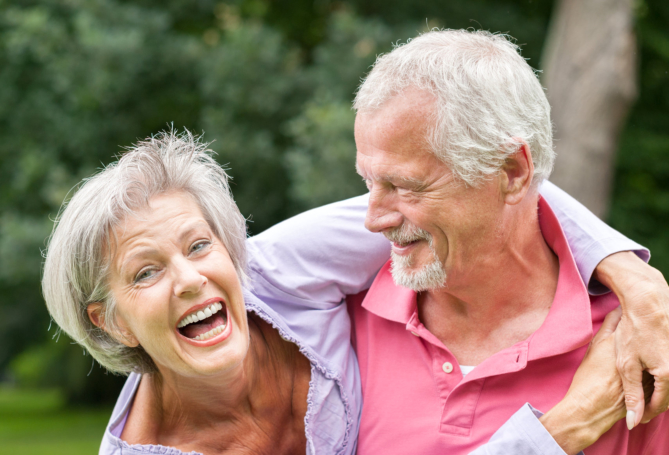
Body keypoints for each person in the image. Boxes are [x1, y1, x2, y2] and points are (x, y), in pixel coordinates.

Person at [45, 131, 650, 455]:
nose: (189, 278)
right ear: (112, 323)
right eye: (145, 273)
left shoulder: (278, 272)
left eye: (200, 246)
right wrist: (562, 431)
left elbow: (480, 193)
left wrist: (641, 287)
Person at [247, 30, 669, 454]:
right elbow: (251, 265)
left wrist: (632, 278)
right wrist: (563, 429)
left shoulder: (641, 348)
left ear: (511, 172)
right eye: (369, 182)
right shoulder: (334, 321)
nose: (372, 220)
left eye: (405, 186)